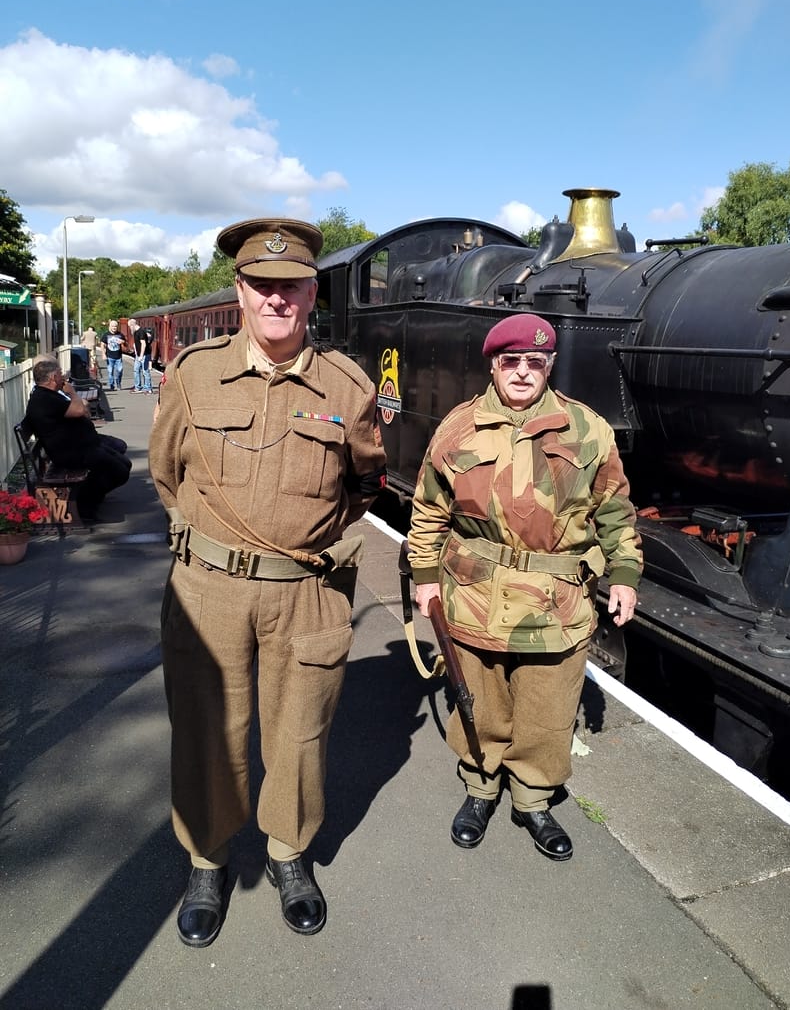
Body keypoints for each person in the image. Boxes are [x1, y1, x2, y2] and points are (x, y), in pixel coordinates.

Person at [149, 217, 387, 948]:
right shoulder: (192, 375)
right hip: (208, 587)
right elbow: (165, 473)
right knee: (206, 732)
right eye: (262, 284)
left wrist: (296, 542)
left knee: (300, 731)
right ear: (242, 290)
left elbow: (365, 485)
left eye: (292, 286)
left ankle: (288, 853)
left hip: (304, 591)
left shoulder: (347, 385)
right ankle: (207, 860)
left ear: (312, 293)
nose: (277, 298)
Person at [407, 313, 642, 861]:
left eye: (533, 362)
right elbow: (427, 511)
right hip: (474, 596)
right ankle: (480, 789)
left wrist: (625, 575)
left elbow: (615, 510)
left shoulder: (586, 429)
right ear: (494, 363)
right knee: (480, 702)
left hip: (557, 600)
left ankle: (534, 800)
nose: (521, 371)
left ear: (549, 366)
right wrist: (424, 579)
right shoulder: (457, 429)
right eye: (510, 361)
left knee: (547, 705)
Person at [25, 358, 132, 521]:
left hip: (80, 446)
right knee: (120, 471)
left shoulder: (47, 395)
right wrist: (72, 393)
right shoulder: (44, 399)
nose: (64, 378)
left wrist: (81, 409)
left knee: (125, 463)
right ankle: (85, 505)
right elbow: (78, 409)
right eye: (61, 374)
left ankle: (91, 498)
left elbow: (81, 411)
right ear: (53, 377)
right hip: (70, 453)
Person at [101, 319, 126, 390]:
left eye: (115, 326)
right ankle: (112, 385)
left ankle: (118, 383)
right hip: (109, 356)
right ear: (110, 327)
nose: (114, 328)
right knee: (110, 372)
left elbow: (125, 344)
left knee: (120, 370)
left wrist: (123, 342)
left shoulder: (120, 334)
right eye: (113, 326)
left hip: (118, 357)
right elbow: (102, 345)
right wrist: (103, 354)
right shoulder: (106, 335)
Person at [131, 319, 154, 394]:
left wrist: (141, 355)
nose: (130, 328)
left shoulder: (141, 332)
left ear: (132, 325)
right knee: (136, 370)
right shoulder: (136, 332)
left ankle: (148, 388)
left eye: (130, 326)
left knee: (145, 371)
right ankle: (138, 387)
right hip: (138, 355)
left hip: (144, 355)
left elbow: (143, 344)